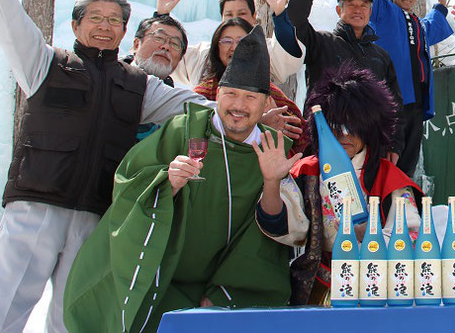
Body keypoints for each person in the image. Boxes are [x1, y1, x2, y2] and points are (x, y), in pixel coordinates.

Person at [0, 0, 219, 333]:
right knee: (3, 304)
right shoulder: (46, 64)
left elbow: (197, 106)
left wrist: (245, 112)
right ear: (77, 25)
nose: (104, 26)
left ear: (123, 31)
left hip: (94, 214)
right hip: (36, 205)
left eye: (114, 20)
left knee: (74, 314)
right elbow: (12, 26)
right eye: (95, 18)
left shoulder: (138, 85)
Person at [64, 26, 294, 332]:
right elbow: (128, 182)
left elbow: (272, 236)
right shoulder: (183, 130)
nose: (238, 106)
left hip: (227, 285)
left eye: (250, 97)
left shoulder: (273, 148)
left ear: (265, 102)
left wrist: (271, 181)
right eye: (231, 94)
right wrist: (166, 181)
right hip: (162, 274)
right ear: (218, 94)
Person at [255, 63, 423, 305]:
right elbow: (282, 227)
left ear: (369, 128)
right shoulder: (308, 170)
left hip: (376, 286)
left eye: (353, 125)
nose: (344, 134)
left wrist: (367, 235)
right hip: (318, 284)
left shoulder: (388, 177)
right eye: (335, 125)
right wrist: (272, 182)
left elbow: (412, 236)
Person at [345, 0, 454, 178]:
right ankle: (380, 208)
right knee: (385, 159)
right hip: (390, 100)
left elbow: (432, 28)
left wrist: (441, 7)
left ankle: (403, 205)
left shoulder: (416, 23)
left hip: (416, 102)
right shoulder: (383, 12)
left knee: (409, 160)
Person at [284, 0, 406, 154]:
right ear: (339, 10)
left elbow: (394, 105)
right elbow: (294, 22)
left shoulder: (380, 56)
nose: (358, 10)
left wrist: (394, 146)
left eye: (364, 5)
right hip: (323, 142)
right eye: (351, 4)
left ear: (370, 11)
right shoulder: (322, 42)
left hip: (368, 147)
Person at [164, 0, 304, 88]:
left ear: (254, 16)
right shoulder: (203, 54)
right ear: (222, 19)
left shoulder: (265, 51)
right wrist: (161, 17)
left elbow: (287, 56)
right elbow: (166, 57)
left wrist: (280, 15)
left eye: (241, 14)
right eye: (229, 15)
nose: (235, 20)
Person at [193, 17, 306, 150]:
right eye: (226, 41)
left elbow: (302, 137)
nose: (234, 47)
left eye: (241, 41)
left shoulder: (270, 93)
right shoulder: (203, 93)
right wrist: (257, 124)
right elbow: (194, 130)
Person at [123, 14, 189, 140]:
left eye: (175, 44)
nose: (166, 47)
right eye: (159, 38)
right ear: (137, 44)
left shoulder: (175, 104)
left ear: (180, 60)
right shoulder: (110, 77)